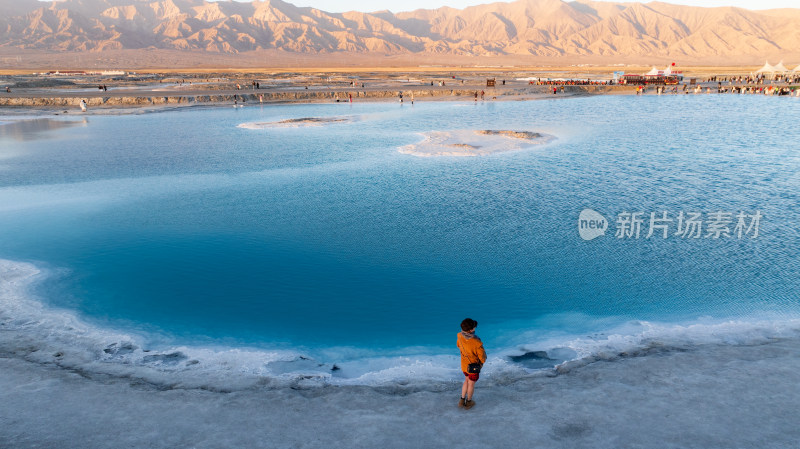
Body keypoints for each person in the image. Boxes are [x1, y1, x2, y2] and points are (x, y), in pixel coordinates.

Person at [457, 318, 486, 410]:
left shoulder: (459, 336)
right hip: (473, 367)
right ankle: (469, 402)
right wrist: (481, 363)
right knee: (471, 384)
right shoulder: (476, 342)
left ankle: (462, 400)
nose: (475, 328)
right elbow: (482, 356)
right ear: (470, 330)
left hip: (464, 365)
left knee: (466, 380)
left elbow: (458, 345)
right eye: (474, 327)